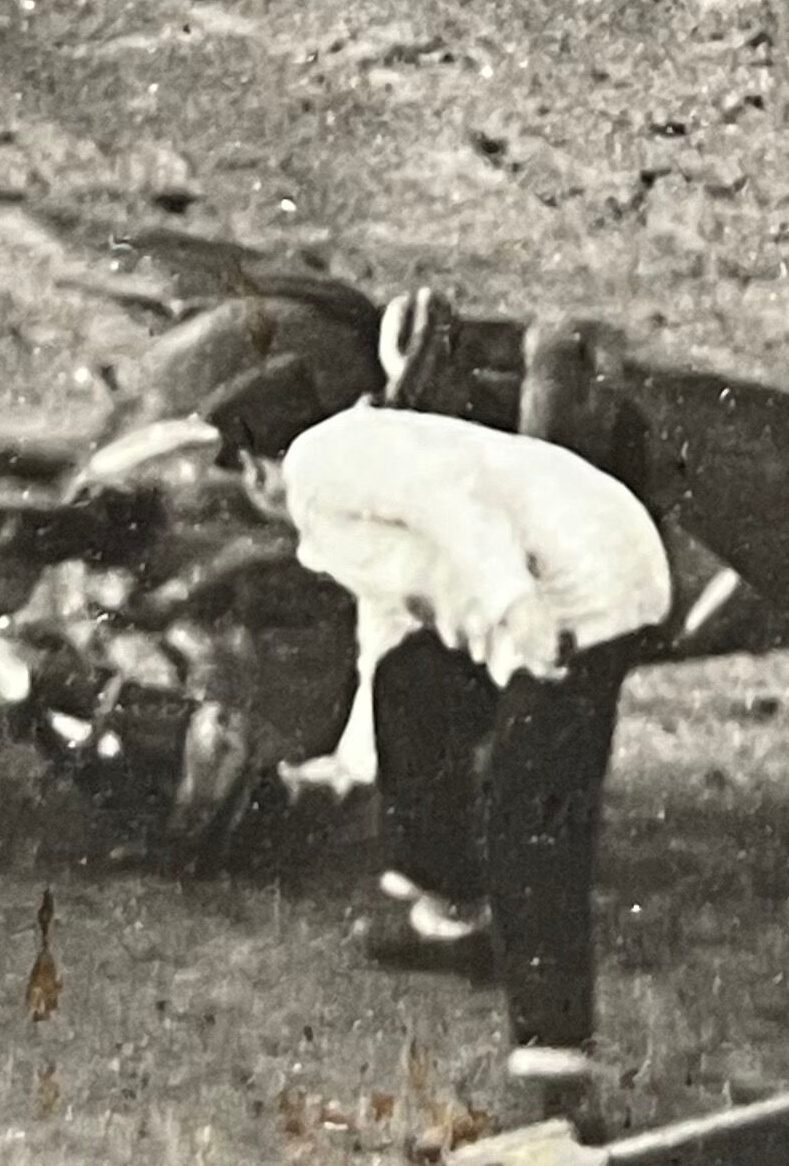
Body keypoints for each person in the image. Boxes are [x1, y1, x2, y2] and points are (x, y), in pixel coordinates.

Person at [256, 392, 674, 1140]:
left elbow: (456, 498)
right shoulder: (332, 495)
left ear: (252, 463)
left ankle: (557, 1074)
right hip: (535, 586)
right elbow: (387, 628)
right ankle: (453, 915)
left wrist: (516, 606)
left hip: (584, 583)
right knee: (411, 685)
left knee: (531, 813)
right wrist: (349, 766)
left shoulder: (319, 459)